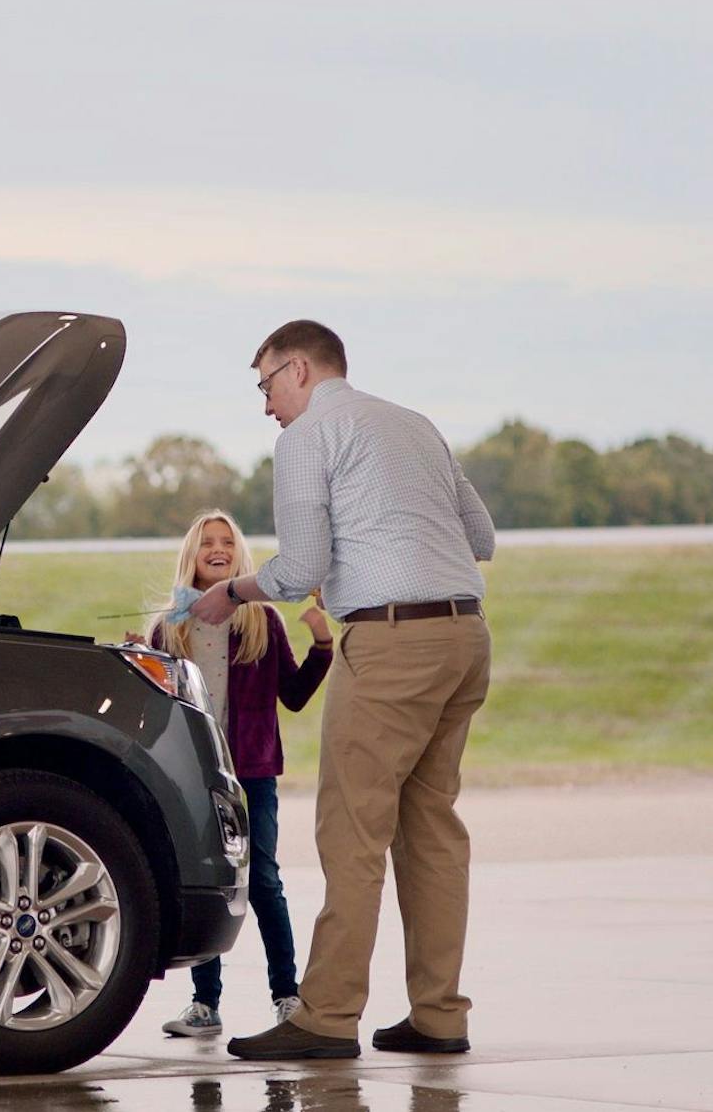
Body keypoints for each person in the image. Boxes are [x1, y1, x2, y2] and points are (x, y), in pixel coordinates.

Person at [192, 320, 496, 1062]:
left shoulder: (306, 439)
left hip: (390, 646)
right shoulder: (413, 424)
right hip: (464, 637)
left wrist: (230, 591)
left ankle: (326, 1015)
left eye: (265, 384)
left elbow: (296, 570)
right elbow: (481, 538)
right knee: (431, 828)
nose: (266, 405)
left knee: (352, 831)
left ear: (297, 369)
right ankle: (438, 1012)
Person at [135, 509, 332, 1040]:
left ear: (238, 555)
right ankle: (205, 1004)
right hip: (196, 778)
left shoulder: (260, 621)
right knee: (205, 881)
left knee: (264, 881)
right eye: (207, 543)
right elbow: (159, 711)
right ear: (192, 557)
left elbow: (292, 696)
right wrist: (141, 661)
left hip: (254, 775)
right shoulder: (169, 627)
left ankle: (287, 996)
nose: (218, 550)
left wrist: (322, 646)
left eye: (227, 542)